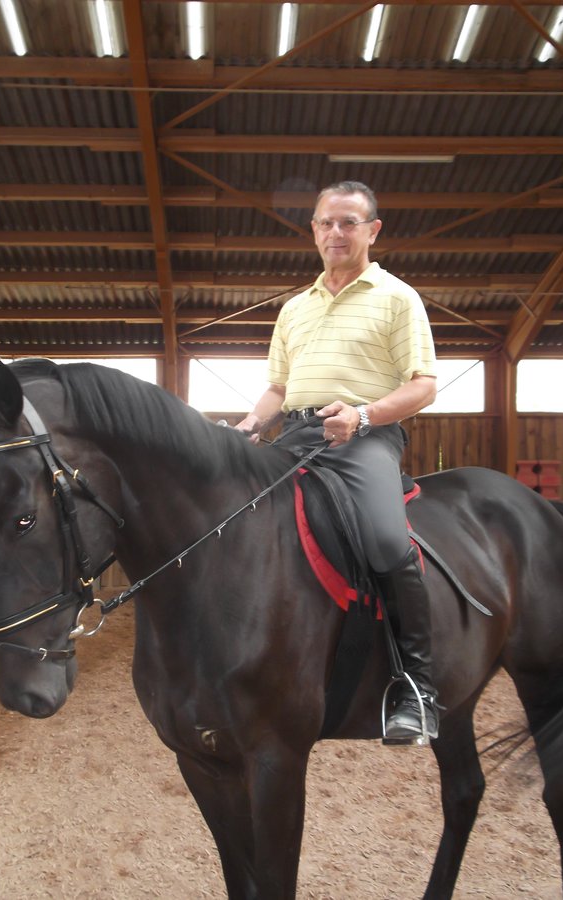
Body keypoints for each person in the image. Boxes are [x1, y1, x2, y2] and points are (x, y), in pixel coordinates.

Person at [235, 181, 440, 744]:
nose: (336, 232)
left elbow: (424, 385)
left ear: (373, 230)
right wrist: (248, 428)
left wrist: (363, 415)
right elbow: (279, 389)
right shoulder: (295, 308)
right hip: (296, 434)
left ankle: (417, 688)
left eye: (349, 222)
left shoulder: (397, 297)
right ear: (314, 231)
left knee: (386, 541)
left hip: (363, 437)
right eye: (326, 222)